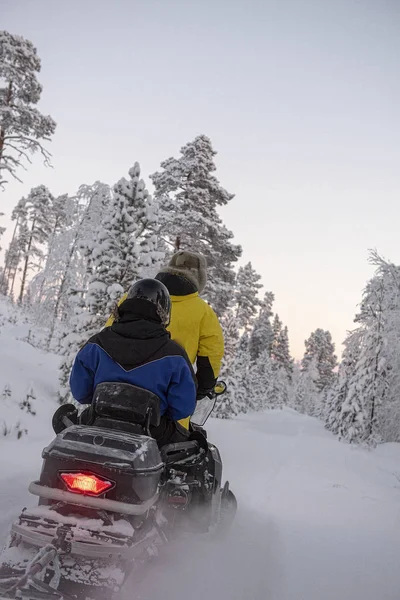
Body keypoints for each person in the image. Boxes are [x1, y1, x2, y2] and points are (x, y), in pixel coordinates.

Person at [69, 279, 196, 446]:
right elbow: (182, 408)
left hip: (97, 422)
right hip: (153, 432)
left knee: (68, 427)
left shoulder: (97, 343)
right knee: (194, 449)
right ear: (164, 313)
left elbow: (80, 392)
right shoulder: (175, 355)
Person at [105, 251, 224, 426]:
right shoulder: (203, 312)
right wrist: (201, 389)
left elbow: (107, 335)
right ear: (200, 278)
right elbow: (211, 357)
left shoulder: (131, 297)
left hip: (111, 397)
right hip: (166, 408)